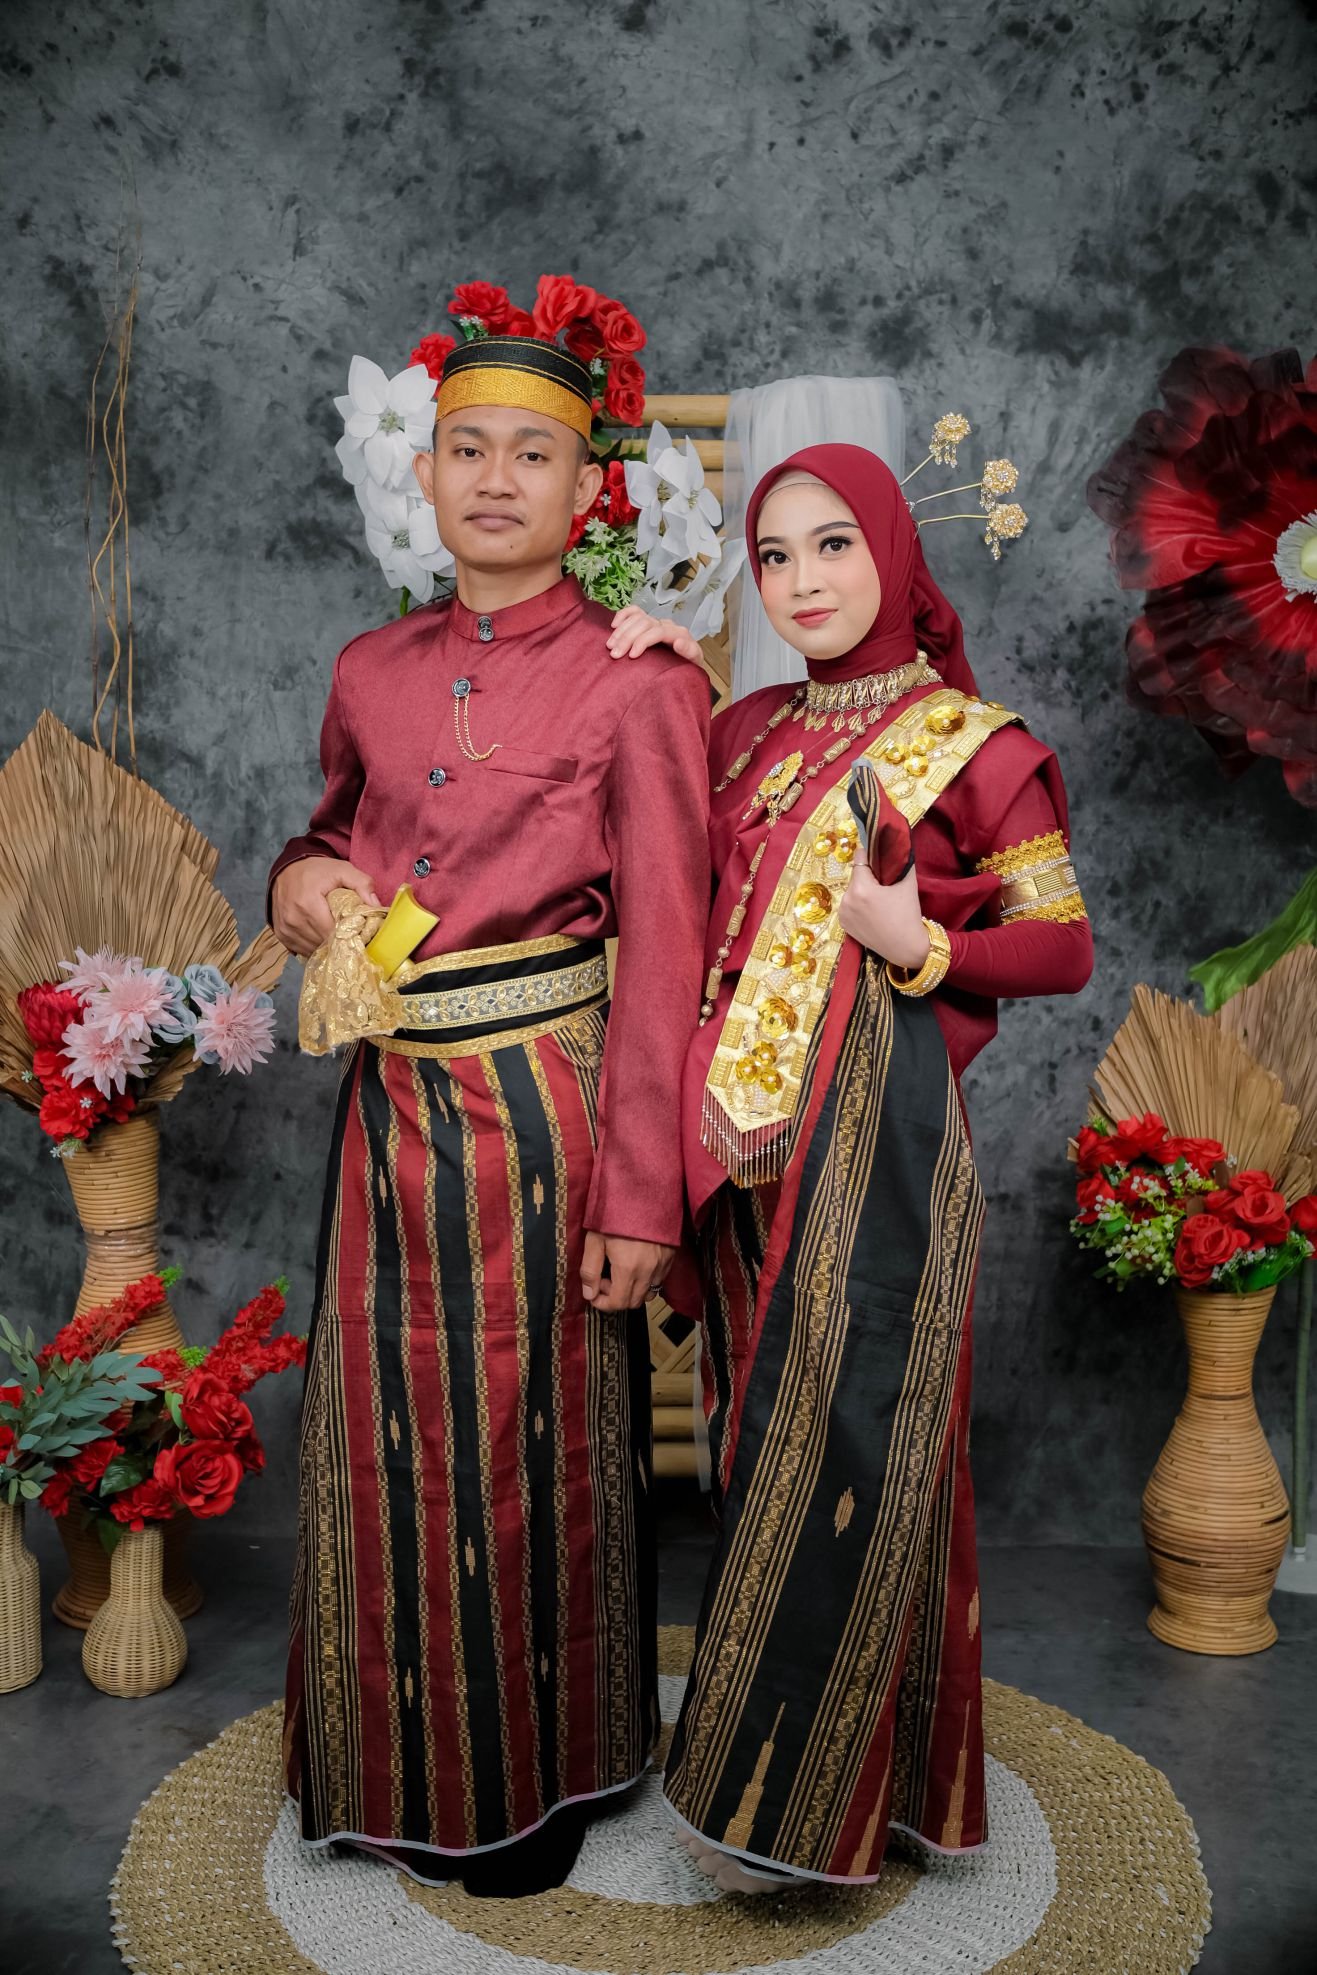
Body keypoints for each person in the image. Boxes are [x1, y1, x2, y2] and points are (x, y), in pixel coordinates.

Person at [270, 331, 711, 1897]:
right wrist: (299, 886)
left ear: (590, 491)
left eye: (534, 455)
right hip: (384, 1117)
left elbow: (671, 949)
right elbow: (325, 837)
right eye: (468, 449)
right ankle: (387, 1764)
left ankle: (538, 1785)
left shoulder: (639, 681)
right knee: (383, 1447)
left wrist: (643, 1197)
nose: (497, 480)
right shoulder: (369, 670)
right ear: (426, 473)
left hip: (545, 1120)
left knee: (536, 1453)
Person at [618, 442, 1092, 1892]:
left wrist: (922, 944)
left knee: (852, 1451)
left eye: (833, 545)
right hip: (736, 1153)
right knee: (754, 1441)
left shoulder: (975, 744)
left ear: (891, 547)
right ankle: (839, 1774)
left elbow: (1062, 946)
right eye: (774, 556)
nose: (802, 580)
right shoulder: (743, 728)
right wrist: (653, 674)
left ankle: (789, 1809)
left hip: (877, 1151)